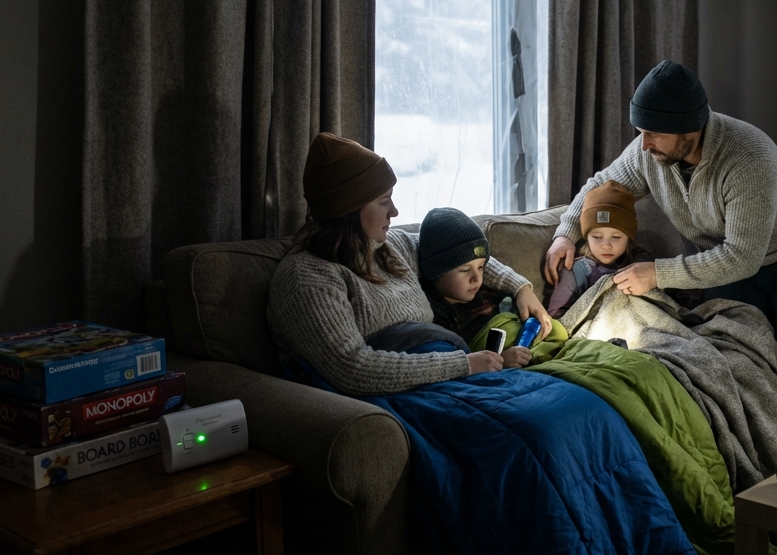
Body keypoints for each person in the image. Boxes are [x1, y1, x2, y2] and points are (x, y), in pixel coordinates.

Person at [543, 60, 777, 433]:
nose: (643, 145)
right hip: (725, 259)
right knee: (732, 351)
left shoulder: (748, 157)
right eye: (640, 131)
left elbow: (742, 255)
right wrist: (566, 232)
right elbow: (603, 186)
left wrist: (658, 273)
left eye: (653, 134)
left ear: (689, 130)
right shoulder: (650, 152)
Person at [268, 133, 550, 395]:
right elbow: (352, 368)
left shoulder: (392, 246)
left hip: (450, 368)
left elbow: (457, 253)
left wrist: (520, 288)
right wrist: (465, 365)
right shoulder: (307, 277)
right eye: (384, 201)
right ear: (349, 210)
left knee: (563, 400)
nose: (395, 211)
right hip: (411, 387)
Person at [417, 207, 534, 364]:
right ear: (435, 272)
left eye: (481, 267)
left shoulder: (489, 294)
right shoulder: (434, 314)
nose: (477, 278)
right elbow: (456, 362)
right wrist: (502, 361)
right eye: (465, 270)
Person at [545, 181, 655, 317]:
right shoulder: (578, 271)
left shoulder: (642, 262)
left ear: (629, 238)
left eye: (616, 237)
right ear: (587, 237)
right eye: (597, 237)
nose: (606, 245)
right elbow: (556, 314)